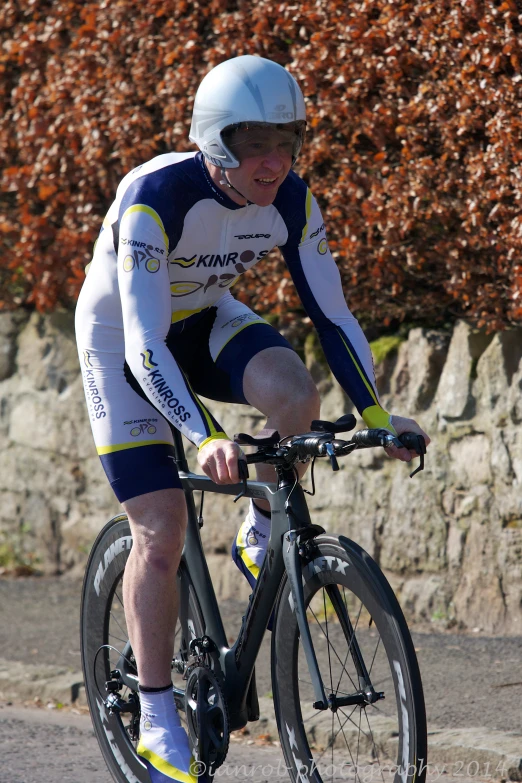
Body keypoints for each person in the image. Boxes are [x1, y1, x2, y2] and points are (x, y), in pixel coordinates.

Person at [75, 54, 430, 783]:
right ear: (213, 142)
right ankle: (154, 708)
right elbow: (144, 345)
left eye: (288, 141)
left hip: (203, 318)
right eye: (254, 143)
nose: (274, 161)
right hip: (122, 343)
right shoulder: (156, 198)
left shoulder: (292, 200)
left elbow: (331, 314)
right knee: (161, 527)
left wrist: (375, 411)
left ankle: (259, 529)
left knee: (298, 397)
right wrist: (203, 436)